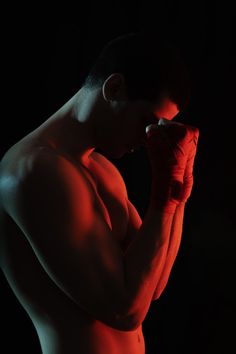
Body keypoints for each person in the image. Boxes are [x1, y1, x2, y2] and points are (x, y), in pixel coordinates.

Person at [0, 31, 199, 354]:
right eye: (147, 121)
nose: (148, 138)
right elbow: (125, 310)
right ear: (115, 88)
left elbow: (154, 285)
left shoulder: (103, 172)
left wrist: (179, 190)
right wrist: (165, 192)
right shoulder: (34, 170)